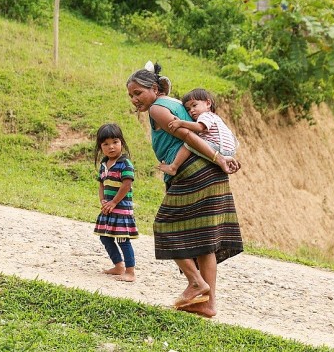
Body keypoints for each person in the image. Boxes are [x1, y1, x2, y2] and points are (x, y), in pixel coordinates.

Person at [126, 62, 243, 317]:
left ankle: (196, 283)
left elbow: (188, 137)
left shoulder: (158, 107)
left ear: (154, 88)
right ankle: (208, 304)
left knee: (165, 225)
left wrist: (217, 157)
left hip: (195, 169)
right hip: (210, 171)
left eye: (138, 93)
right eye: (131, 95)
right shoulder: (175, 102)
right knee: (204, 241)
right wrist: (218, 160)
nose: (135, 99)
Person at [93, 123, 138, 282]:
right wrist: (103, 201)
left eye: (115, 142)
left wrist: (113, 202)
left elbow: (126, 185)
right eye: (106, 144)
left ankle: (130, 271)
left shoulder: (125, 164)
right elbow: (101, 183)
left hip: (121, 209)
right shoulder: (104, 164)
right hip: (108, 208)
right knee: (105, 237)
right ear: (100, 147)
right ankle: (118, 266)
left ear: (122, 143)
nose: (111, 147)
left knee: (122, 239)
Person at [158, 88, 239, 176]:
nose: (191, 111)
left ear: (208, 103)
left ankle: (173, 167)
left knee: (190, 141)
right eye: (188, 109)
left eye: (194, 105)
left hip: (220, 148)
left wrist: (181, 123)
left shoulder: (205, 115)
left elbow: (200, 127)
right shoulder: (214, 117)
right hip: (229, 150)